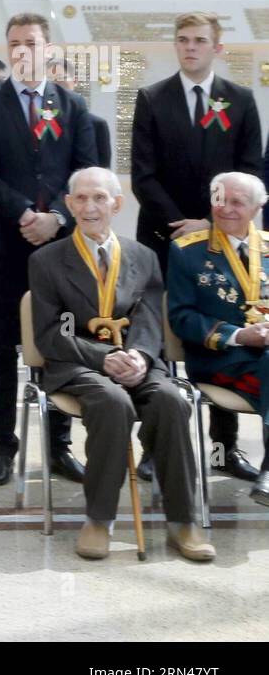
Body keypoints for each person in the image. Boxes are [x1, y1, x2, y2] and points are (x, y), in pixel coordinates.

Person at [30, 167, 209, 561]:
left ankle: (184, 521)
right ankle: (99, 519)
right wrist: (105, 357)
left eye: (99, 198)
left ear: (117, 204)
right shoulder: (47, 261)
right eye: (80, 198)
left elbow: (148, 318)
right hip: (77, 365)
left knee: (172, 401)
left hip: (138, 361)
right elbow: (49, 335)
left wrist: (142, 357)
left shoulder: (143, 256)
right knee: (113, 403)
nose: (89, 207)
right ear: (69, 204)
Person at [0, 12, 98, 486]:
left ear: (48, 49)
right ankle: (1, 442)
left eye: (32, 43)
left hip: (61, 245)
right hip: (2, 242)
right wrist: (24, 214)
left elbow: (86, 171)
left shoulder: (73, 106)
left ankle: (59, 446)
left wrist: (57, 217)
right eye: (14, 42)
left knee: (61, 340)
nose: (23, 51)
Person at [133, 12, 263, 483]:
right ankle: (155, 447)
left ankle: (223, 449)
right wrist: (182, 226)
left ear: (217, 48)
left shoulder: (241, 100)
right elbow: (142, 173)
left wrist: (210, 223)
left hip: (224, 237)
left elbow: (251, 171)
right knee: (161, 338)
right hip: (163, 237)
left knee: (224, 325)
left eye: (200, 41)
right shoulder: (151, 98)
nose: (190, 47)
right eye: (183, 40)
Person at [167, 171, 269, 507]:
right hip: (218, 360)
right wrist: (239, 335)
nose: (225, 208)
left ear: (257, 208)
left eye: (238, 202)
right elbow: (181, 318)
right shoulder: (187, 252)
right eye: (219, 199)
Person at [49, 54, 111, 168]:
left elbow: (103, 172)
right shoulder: (37, 123)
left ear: (75, 81)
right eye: (49, 82)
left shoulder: (97, 125)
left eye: (60, 79)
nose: (54, 86)